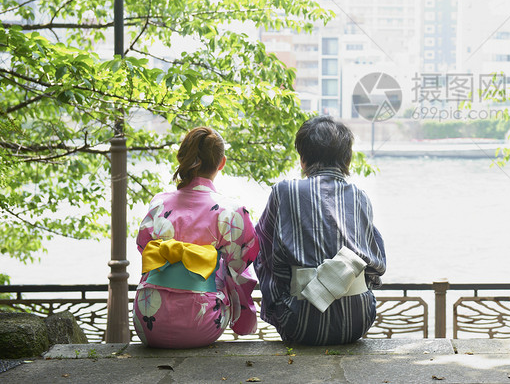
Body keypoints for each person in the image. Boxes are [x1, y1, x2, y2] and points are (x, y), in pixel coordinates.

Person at [254, 115, 386, 345]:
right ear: (347, 159)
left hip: (299, 322)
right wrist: (341, 283)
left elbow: (262, 251)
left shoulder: (284, 191)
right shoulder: (360, 197)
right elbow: (376, 264)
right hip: (359, 321)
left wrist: (284, 296)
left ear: (303, 158)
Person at [132, 127, 259, 348]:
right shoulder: (231, 210)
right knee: (228, 269)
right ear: (221, 163)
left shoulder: (159, 203)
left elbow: (144, 246)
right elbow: (241, 263)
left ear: (182, 157)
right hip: (202, 323)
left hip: (147, 320)